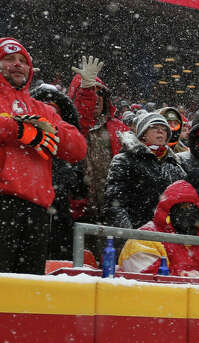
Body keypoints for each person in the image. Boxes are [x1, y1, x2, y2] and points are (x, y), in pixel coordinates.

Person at [0, 38, 87, 274]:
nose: (17, 65)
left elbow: (78, 148)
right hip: (4, 203)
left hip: (36, 210)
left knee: (27, 291)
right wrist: (17, 129)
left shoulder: (42, 109)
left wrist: (47, 128)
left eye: (22, 61)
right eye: (9, 59)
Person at [66, 55, 127, 232]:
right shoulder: (67, 127)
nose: (97, 97)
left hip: (112, 216)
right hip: (76, 215)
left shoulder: (119, 129)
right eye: (91, 91)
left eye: (101, 92)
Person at [29, 83, 84, 262]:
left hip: (61, 217)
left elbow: (79, 183)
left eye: (53, 109)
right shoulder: (24, 140)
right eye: (43, 107)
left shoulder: (66, 147)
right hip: (27, 213)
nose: (48, 113)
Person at [118, 180, 199, 277]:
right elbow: (146, 277)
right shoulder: (146, 237)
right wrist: (184, 275)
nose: (188, 213)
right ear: (168, 211)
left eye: (191, 207)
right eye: (182, 208)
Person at [104, 112, 186, 230]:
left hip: (167, 238)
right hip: (137, 235)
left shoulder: (175, 164)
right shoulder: (124, 160)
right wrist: (130, 236)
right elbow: (115, 205)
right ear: (143, 134)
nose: (160, 131)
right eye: (154, 127)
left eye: (164, 129)